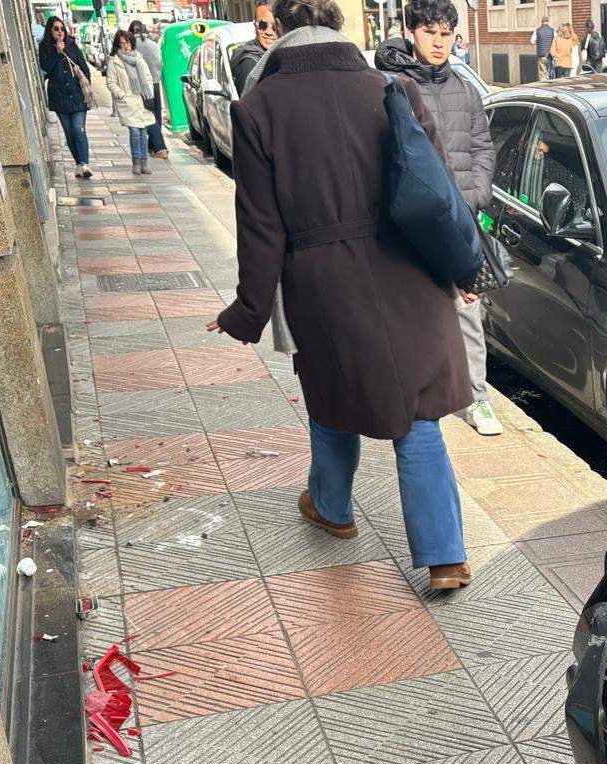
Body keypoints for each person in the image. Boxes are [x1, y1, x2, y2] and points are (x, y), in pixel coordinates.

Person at [209, 0, 476, 589]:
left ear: (281, 29)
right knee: (419, 415)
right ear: (339, 28)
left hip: (324, 282)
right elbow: (439, 192)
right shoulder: (394, 89)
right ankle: (445, 558)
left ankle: (332, 509)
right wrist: (463, 267)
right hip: (410, 269)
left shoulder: (258, 109)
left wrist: (248, 310)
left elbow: (260, 226)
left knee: (332, 398)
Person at [376, 1, 501, 436]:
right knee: (414, 309)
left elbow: (483, 144)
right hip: (412, 221)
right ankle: (417, 395)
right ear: (411, 32)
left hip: (461, 216)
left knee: (469, 308)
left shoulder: (464, 87)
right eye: (430, 32)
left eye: (446, 33)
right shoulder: (389, 84)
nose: (439, 42)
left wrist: (477, 193)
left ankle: (477, 398)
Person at [38, 16, 94, 179]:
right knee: (69, 133)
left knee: (78, 129)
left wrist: (86, 86)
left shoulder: (72, 45)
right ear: (50, 30)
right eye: (56, 29)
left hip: (76, 95)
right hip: (59, 97)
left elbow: (84, 67)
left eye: (62, 29)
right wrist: (56, 52)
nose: (60, 32)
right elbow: (45, 68)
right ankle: (78, 164)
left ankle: (85, 164)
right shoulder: (44, 48)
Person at [106, 28, 156, 174]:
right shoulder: (114, 61)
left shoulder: (139, 58)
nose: (126, 46)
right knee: (134, 131)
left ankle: (144, 163)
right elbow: (111, 82)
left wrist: (149, 92)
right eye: (122, 43)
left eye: (127, 42)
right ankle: (136, 163)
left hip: (142, 100)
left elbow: (148, 77)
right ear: (118, 44)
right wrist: (122, 95)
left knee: (143, 132)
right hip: (128, 102)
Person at [128, 20, 169, 159]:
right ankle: (152, 145)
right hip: (155, 83)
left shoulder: (131, 47)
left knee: (148, 115)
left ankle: (161, 148)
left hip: (142, 86)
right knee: (157, 114)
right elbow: (160, 63)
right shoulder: (153, 44)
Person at [230, 4, 277, 94]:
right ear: (255, 26)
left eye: (275, 26)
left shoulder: (283, 54)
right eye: (263, 25)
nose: (269, 32)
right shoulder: (249, 64)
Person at [530, 14, 554, 80]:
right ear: (548, 22)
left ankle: (543, 83)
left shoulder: (537, 30)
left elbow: (532, 41)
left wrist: (538, 41)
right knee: (550, 71)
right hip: (550, 54)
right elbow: (556, 41)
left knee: (542, 72)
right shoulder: (553, 30)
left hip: (541, 54)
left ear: (542, 22)